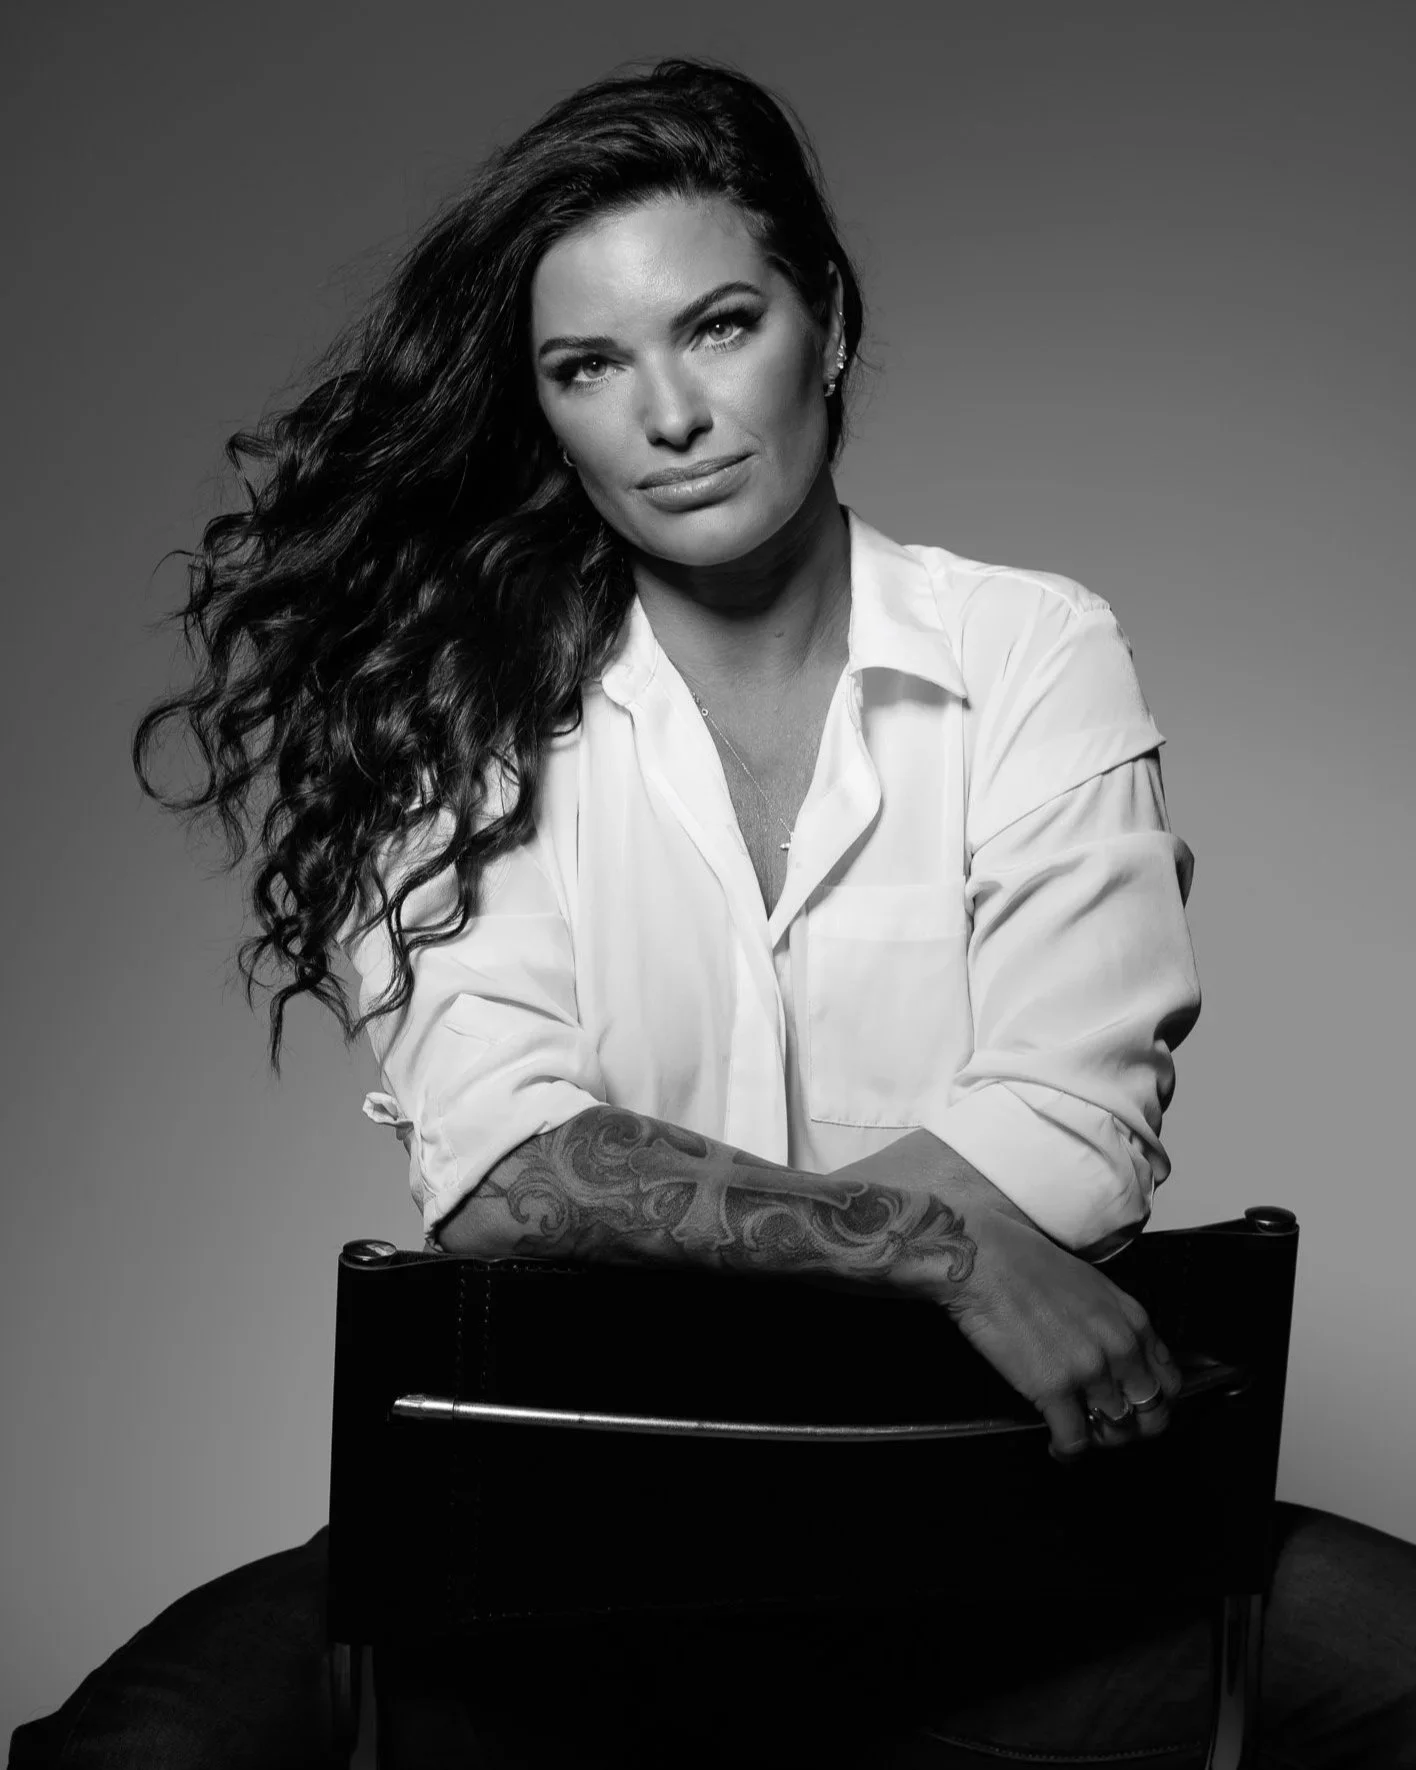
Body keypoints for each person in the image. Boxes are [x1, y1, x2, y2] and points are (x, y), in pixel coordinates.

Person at [14, 54, 1414, 1770]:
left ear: (825, 319)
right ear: (547, 412)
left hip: (1001, 1556)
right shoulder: (456, 711)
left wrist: (685, 1247)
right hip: (555, 1573)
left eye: (720, 326)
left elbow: (1074, 1131)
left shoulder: (1030, 650)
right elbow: (506, 1160)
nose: (668, 416)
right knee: (130, 1749)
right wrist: (949, 1245)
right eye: (590, 367)